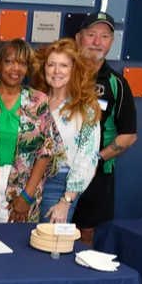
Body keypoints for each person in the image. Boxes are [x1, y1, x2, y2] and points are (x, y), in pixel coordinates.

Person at [0, 39, 64, 223]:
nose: (16, 68)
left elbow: (46, 152)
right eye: (9, 61)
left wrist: (27, 197)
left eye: (22, 63)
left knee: (18, 246)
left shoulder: (38, 101)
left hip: (23, 192)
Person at [72, 12, 137, 246]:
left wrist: (95, 159)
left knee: (84, 233)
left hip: (97, 173)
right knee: (48, 227)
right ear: (79, 38)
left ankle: (81, 281)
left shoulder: (117, 83)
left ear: (111, 42)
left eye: (105, 36)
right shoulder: (60, 73)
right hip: (56, 170)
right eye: (91, 35)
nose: (97, 42)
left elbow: (129, 135)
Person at [34, 38, 101, 224]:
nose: (57, 71)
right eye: (51, 65)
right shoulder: (34, 101)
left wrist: (66, 201)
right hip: (28, 183)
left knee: (49, 245)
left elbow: (86, 160)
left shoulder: (86, 108)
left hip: (60, 187)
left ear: (74, 70)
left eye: (64, 65)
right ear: (44, 68)